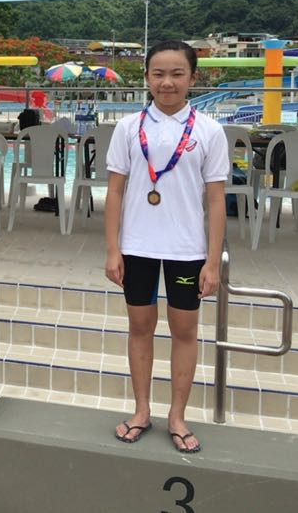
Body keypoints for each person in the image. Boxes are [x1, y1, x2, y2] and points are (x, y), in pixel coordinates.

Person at [104, 40, 228, 454]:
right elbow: (115, 192)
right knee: (140, 328)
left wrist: (212, 261)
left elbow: (215, 200)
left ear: (193, 78)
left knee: (184, 332)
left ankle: (177, 416)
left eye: (177, 74)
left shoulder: (209, 131)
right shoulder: (128, 128)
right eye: (158, 74)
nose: (167, 82)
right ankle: (142, 410)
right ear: (146, 78)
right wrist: (113, 249)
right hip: (137, 246)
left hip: (186, 249)